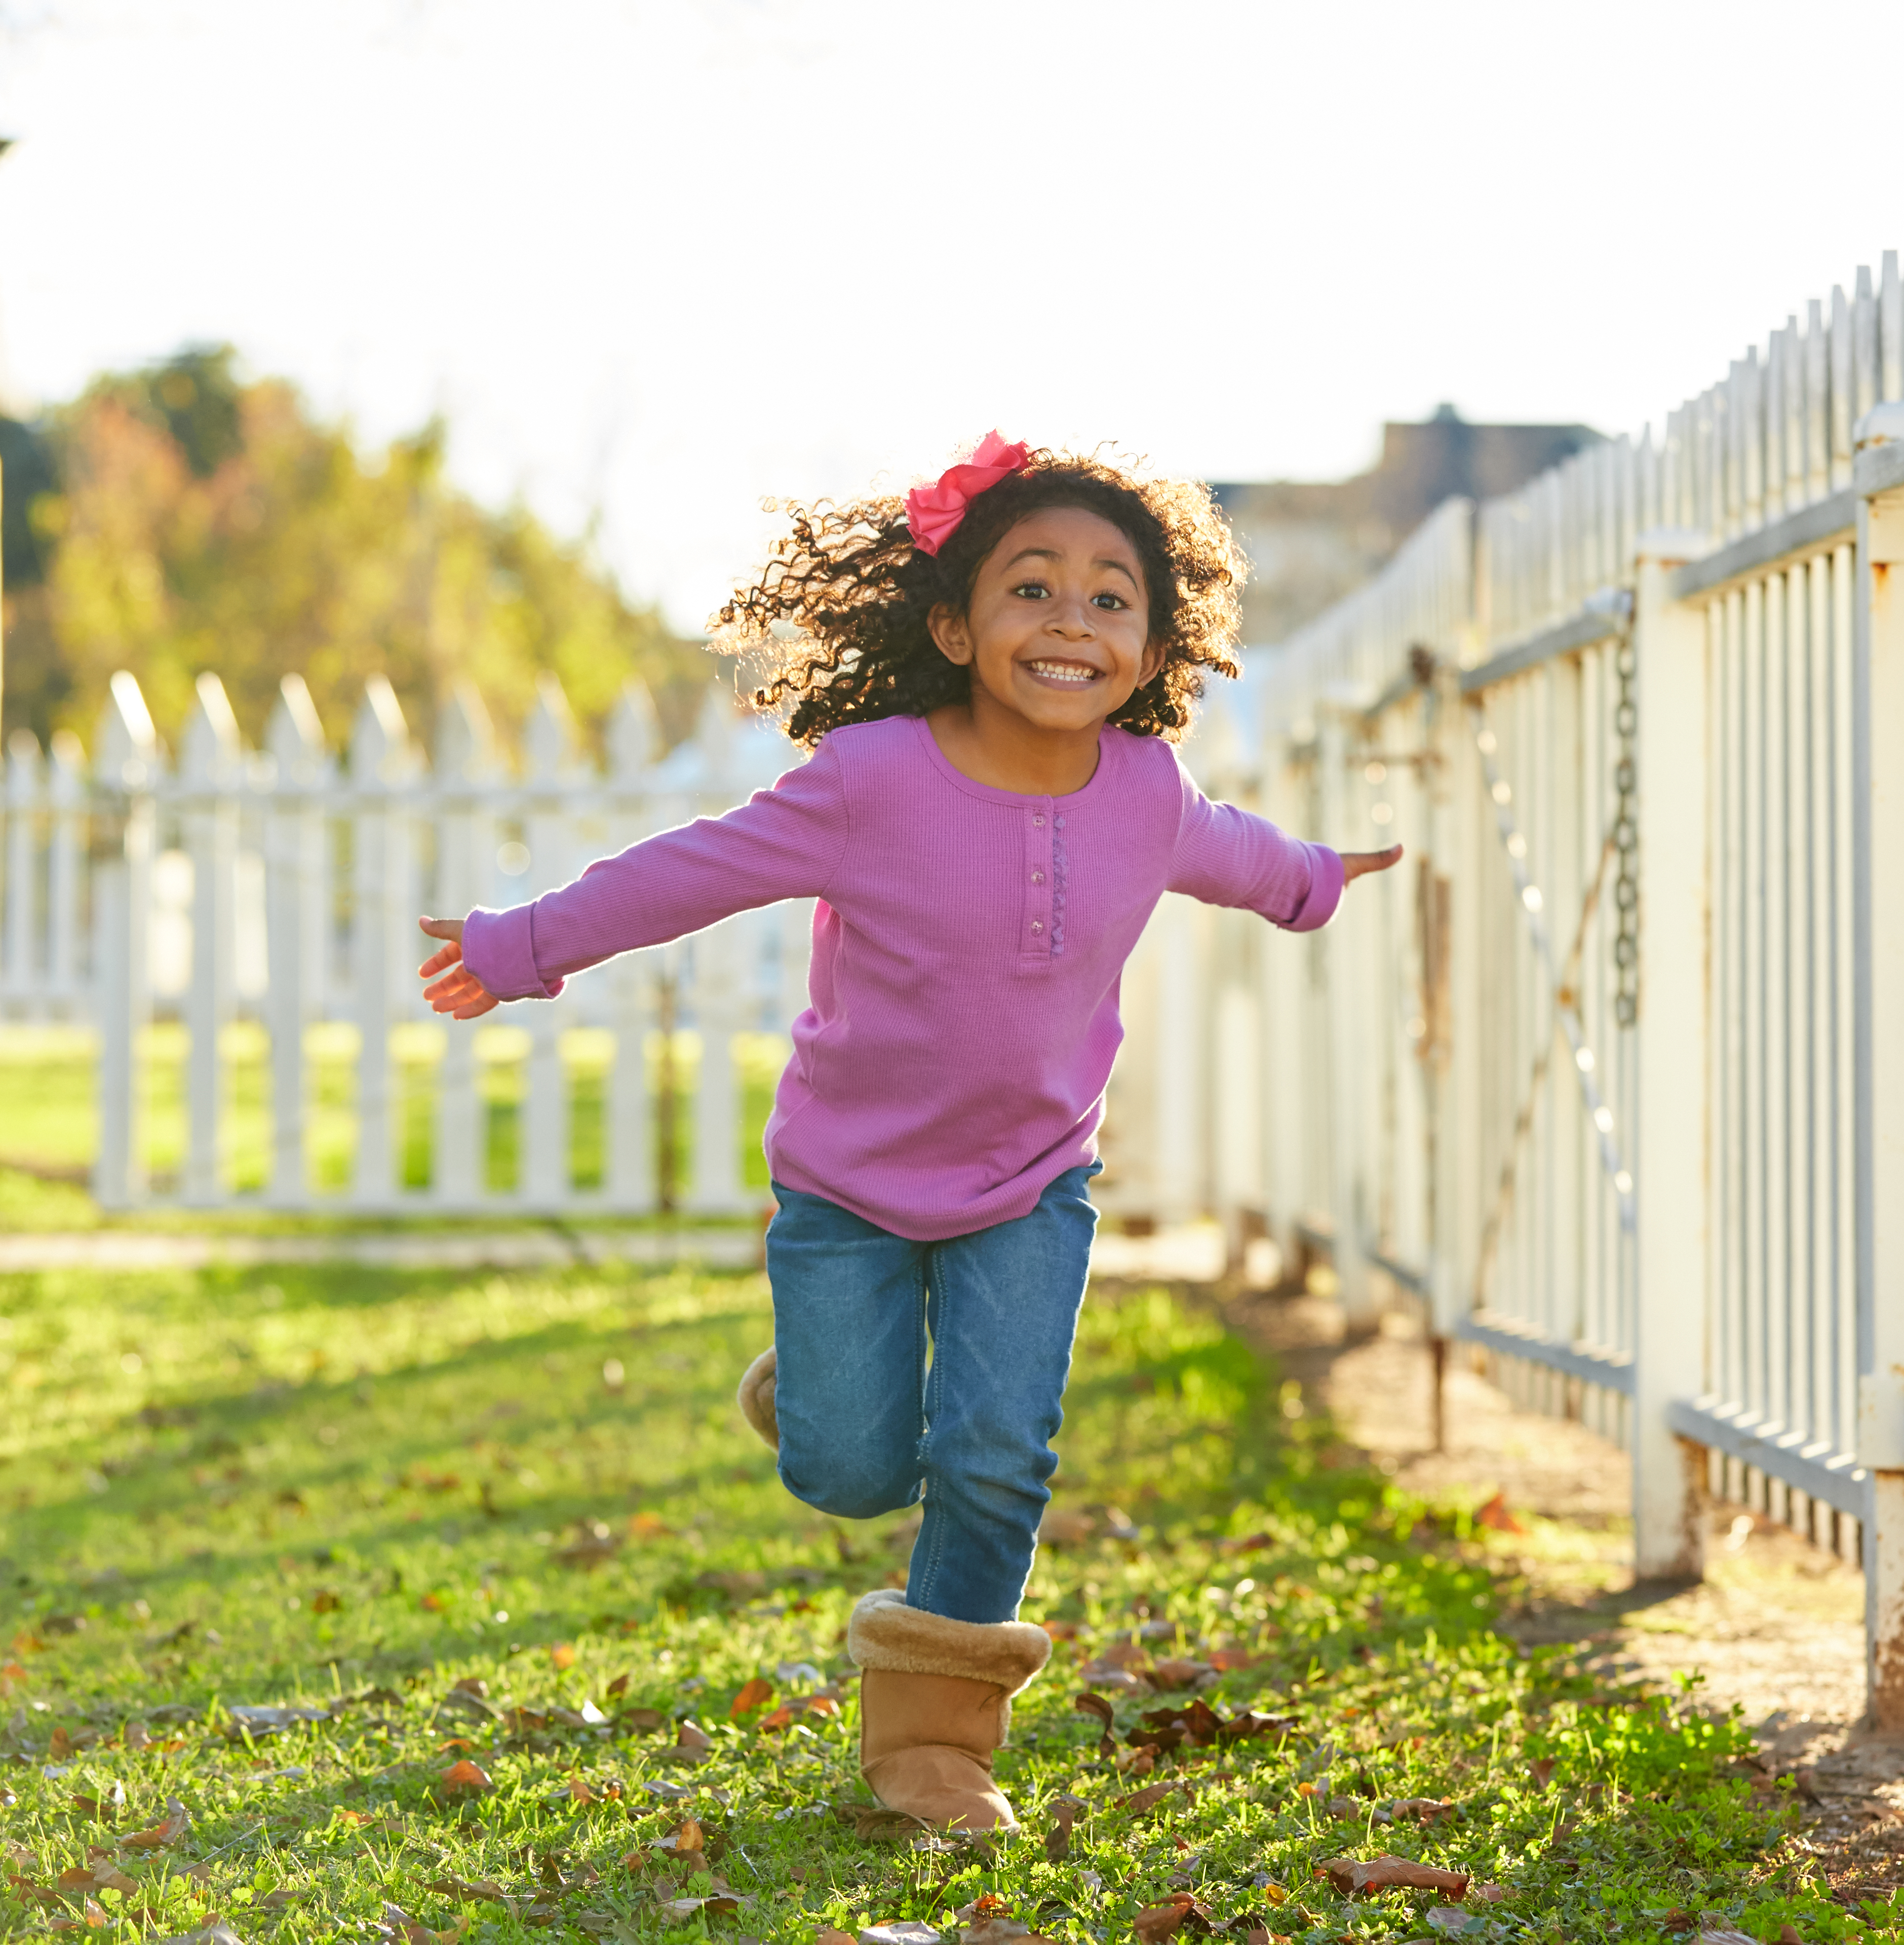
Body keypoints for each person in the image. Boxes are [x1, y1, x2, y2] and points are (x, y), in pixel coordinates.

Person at [412, 434, 1399, 1830]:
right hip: (849, 1187)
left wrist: (1316, 881)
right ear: (956, 624)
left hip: (1032, 1182)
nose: (1073, 621)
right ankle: (813, 1391)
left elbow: (1241, 853)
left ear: (1157, 640)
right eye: (1033, 588)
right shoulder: (870, 778)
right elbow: (689, 872)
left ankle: (936, 1751)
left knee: (1001, 1452)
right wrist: (524, 944)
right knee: (851, 1467)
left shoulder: (1144, 792)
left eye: (1112, 598)